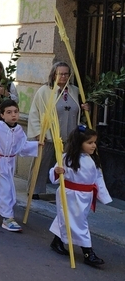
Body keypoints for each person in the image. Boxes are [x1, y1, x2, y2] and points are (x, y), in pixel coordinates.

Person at [49, 127, 112, 266]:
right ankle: (88, 252)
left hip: (85, 195)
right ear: (79, 143)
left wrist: (103, 196)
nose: (94, 145)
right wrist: (56, 171)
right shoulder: (67, 158)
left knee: (68, 218)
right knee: (79, 223)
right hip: (70, 194)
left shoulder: (93, 159)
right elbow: (55, 173)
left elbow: (98, 178)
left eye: (95, 142)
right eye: (90, 143)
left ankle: (57, 240)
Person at [28, 62, 89, 201]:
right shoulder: (44, 91)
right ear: (54, 74)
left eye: (66, 74)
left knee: (67, 164)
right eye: (60, 73)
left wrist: (85, 108)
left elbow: (77, 110)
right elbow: (34, 112)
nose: (63, 76)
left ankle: (66, 190)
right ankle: (35, 190)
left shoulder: (74, 90)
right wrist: (39, 133)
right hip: (49, 134)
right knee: (42, 162)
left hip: (70, 134)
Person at [0, 100, 39, 232]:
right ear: (2, 115)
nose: (13, 115)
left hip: (9, 163)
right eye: (9, 112)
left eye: (16, 112)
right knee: (5, 189)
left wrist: (37, 145)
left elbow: (22, 146)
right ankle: (8, 218)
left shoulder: (18, 131)